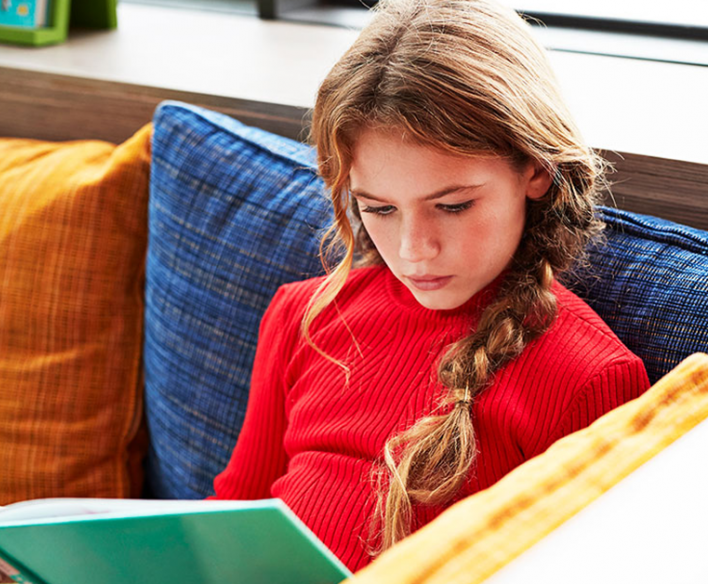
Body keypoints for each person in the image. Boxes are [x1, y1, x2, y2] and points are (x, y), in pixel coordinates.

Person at [211, 0, 650, 572]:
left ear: (536, 169)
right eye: (380, 209)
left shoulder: (589, 378)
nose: (414, 250)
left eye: (451, 205)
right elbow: (228, 524)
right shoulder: (307, 317)